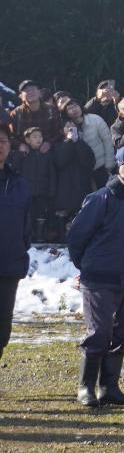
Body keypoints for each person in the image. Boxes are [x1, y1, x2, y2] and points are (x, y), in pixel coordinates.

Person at [65, 143, 124, 408]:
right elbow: (76, 237)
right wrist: (89, 268)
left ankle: (110, 387)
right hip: (99, 279)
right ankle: (86, 387)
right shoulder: (102, 198)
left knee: (123, 330)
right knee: (100, 332)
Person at [0, 129, 28, 362]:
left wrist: (20, 246)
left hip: (9, 263)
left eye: (2, 141)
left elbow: (25, 222)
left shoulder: (18, 181)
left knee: (2, 327)